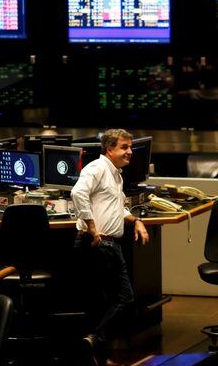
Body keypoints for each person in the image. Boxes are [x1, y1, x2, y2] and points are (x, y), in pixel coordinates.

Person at [71, 129, 149, 365]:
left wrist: (136, 220)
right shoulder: (97, 168)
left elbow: (117, 208)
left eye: (130, 147)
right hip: (98, 243)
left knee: (104, 301)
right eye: (124, 147)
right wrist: (92, 225)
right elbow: (78, 193)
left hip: (106, 244)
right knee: (124, 298)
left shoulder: (116, 174)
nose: (130, 151)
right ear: (110, 149)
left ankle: (96, 350)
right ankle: (95, 341)